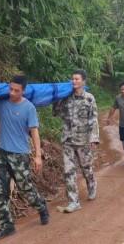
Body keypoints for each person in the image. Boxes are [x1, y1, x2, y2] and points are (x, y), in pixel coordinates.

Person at [0, 75, 49, 241]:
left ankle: (41, 206)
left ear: (23, 91)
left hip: (20, 155)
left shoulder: (29, 108)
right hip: (2, 154)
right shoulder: (2, 102)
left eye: (17, 90)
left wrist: (38, 156)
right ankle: (7, 225)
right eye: (10, 89)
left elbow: (34, 132)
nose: (12, 93)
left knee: (26, 190)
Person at [53, 69, 99, 213]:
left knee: (86, 168)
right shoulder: (66, 97)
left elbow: (94, 119)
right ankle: (74, 202)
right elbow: (56, 113)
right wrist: (56, 98)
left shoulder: (89, 98)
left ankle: (92, 185)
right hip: (67, 139)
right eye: (72, 79)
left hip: (83, 140)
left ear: (83, 81)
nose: (74, 81)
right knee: (68, 171)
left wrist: (94, 138)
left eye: (77, 79)